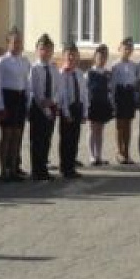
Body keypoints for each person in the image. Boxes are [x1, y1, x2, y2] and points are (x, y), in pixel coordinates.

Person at [0, 28, 31, 182]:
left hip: (20, 98)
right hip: (7, 98)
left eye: (19, 42)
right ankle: (3, 169)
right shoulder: (2, 62)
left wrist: (28, 102)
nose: (17, 45)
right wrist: (0, 105)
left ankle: (14, 168)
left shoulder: (25, 61)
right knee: (6, 135)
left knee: (17, 135)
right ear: (8, 43)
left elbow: (27, 83)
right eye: (14, 42)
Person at [27, 33, 60, 181]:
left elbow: (58, 88)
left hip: (51, 106)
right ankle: (36, 169)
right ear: (37, 50)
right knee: (37, 139)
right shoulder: (34, 68)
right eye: (42, 49)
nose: (45, 52)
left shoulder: (53, 69)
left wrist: (53, 101)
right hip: (37, 107)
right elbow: (32, 88)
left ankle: (43, 167)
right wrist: (41, 102)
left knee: (47, 138)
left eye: (48, 49)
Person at [56, 41, 86, 179]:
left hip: (78, 107)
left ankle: (71, 165)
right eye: (69, 55)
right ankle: (64, 167)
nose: (71, 58)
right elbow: (62, 95)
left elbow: (84, 93)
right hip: (67, 109)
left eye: (74, 55)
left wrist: (85, 111)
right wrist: (66, 112)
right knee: (66, 139)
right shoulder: (61, 74)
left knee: (75, 138)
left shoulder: (79, 73)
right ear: (63, 56)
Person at [85, 43, 115, 167]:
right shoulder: (89, 73)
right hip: (92, 103)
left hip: (103, 103)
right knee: (92, 129)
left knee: (100, 130)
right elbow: (85, 90)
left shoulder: (107, 73)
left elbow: (110, 89)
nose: (102, 59)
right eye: (99, 57)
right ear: (95, 57)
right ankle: (92, 156)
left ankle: (99, 155)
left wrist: (111, 103)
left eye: (104, 57)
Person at [111, 38, 139, 164]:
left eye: (129, 49)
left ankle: (127, 152)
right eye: (125, 48)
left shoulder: (134, 65)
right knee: (119, 125)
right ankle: (119, 152)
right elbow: (111, 84)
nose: (127, 51)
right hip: (119, 94)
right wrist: (112, 100)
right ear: (119, 49)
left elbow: (136, 83)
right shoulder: (114, 65)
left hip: (129, 94)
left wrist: (136, 97)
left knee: (128, 125)